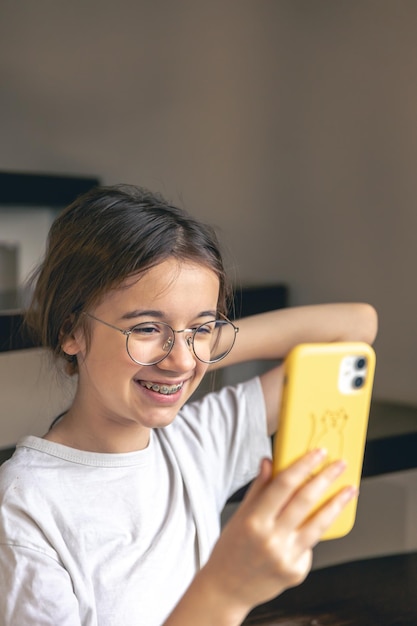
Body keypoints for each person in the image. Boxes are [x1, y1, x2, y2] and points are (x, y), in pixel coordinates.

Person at [0, 184, 378, 626]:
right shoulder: (23, 507)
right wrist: (226, 589)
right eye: (144, 328)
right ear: (72, 332)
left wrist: (194, 343)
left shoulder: (196, 440)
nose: (179, 361)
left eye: (204, 327)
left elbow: (354, 329)